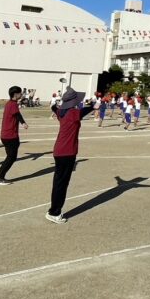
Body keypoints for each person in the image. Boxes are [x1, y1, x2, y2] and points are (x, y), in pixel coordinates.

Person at [47, 88, 95, 223]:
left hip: (59, 150)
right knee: (62, 183)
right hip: (67, 152)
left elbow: (53, 107)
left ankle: (54, 210)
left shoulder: (61, 111)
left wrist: (56, 104)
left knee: (58, 182)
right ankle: (54, 212)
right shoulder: (74, 113)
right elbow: (88, 109)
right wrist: (93, 103)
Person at [0, 86, 28, 185]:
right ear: (15, 94)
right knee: (11, 157)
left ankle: (0, 176)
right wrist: (23, 123)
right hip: (10, 135)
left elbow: (17, 114)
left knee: (11, 156)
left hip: (6, 135)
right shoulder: (12, 105)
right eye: (20, 93)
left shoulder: (10, 104)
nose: (21, 95)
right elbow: (17, 115)